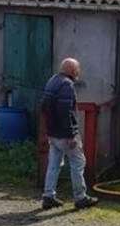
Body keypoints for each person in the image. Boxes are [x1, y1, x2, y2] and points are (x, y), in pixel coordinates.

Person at [40, 58, 98, 210]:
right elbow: (66, 111)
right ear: (73, 71)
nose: (79, 72)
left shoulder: (52, 81)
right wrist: (71, 135)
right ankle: (80, 197)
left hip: (53, 133)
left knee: (54, 165)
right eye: (78, 69)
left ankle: (48, 196)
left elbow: (44, 107)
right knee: (78, 163)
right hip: (65, 134)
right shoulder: (67, 85)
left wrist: (49, 129)